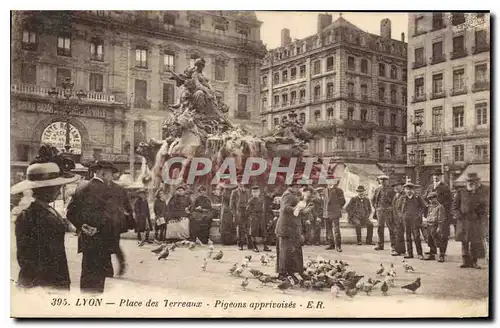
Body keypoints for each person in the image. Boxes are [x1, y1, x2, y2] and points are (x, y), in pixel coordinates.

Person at [12, 148, 78, 290]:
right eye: (56, 187)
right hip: (43, 284)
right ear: (47, 189)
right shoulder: (31, 215)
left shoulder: (43, 210)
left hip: (48, 281)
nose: (58, 190)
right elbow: (29, 259)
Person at [66, 160, 119, 293]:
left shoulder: (81, 188)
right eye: (112, 175)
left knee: (87, 274)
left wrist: (82, 226)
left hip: (86, 240)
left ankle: (85, 306)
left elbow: (70, 213)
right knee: (98, 280)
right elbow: (110, 216)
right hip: (102, 240)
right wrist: (98, 228)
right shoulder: (109, 191)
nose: (112, 178)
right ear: (103, 173)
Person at [453, 172, 489, 269]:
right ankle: (465, 261)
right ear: (466, 182)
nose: (471, 183)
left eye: (473, 181)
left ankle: (474, 262)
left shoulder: (481, 193)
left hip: (475, 221)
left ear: (477, 182)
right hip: (463, 220)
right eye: (469, 181)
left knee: (475, 242)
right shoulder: (461, 192)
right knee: (464, 242)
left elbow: (485, 207)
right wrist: (458, 216)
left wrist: (481, 217)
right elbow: (455, 206)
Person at [275, 182, 307, 281]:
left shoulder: (294, 195)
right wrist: (296, 208)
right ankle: (283, 273)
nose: (297, 188)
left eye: (298, 187)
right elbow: (285, 208)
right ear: (290, 187)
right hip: (286, 228)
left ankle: (292, 271)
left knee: (292, 251)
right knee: (285, 251)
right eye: (295, 186)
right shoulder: (287, 195)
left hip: (291, 228)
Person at [423, 168, 452, 260]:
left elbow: (449, 202)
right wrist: (427, 206)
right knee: (431, 234)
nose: (435, 177)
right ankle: (432, 253)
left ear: (440, 176)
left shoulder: (445, 187)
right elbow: (424, 198)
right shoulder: (430, 187)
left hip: (442, 215)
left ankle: (442, 254)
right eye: (434, 175)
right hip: (431, 215)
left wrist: (440, 208)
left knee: (442, 235)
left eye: (437, 175)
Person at [400, 182, 427, 260]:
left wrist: (419, 215)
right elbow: (398, 208)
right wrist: (402, 215)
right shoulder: (403, 198)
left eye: (410, 189)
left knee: (416, 237)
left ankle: (419, 254)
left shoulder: (417, 197)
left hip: (415, 220)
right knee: (408, 237)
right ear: (405, 190)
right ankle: (410, 253)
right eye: (407, 189)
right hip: (406, 219)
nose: (409, 191)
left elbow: (423, 207)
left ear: (413, 190)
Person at [372, 175, 396, 253]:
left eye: (384, 180)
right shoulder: (377, 189)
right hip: (380, 211)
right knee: (380, 228)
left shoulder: (391, 190)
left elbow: (395, 200)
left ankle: (393, 245)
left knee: (391, 228)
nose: (382, 181)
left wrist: (391, 208)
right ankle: (380, 245)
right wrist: (377, 208)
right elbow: (373, 200)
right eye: (381, 180)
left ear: (387, 181)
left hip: (388, 211)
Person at [246, 185, 272, 252]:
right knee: (253, 232)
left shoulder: (261, 200)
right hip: (254, 217)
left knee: (263, 231)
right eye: (254, 192)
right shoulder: (250, 201)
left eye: (256, 192)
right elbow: (248, 210)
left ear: (259, 192)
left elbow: (264, 209)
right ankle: (255, 246)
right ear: (252, 193)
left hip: (261, 217)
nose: (255, 193)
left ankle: (265, 246)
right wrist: (252, 217)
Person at [425, 192, 448, 262]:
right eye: (429, 199)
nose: (430, 200)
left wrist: (439, 227)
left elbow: (441, 218)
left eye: (432, 198)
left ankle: (441, 255)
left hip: (435, 225)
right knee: (430, 241)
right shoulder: (430, 207)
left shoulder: (440, 207)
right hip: (429, 225)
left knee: (438, 241)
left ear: (436, 198)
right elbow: (428, 215)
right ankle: (432, 254)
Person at [324, 179, 346, 252]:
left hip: (335, 212)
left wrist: (336, 207)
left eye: (331, 181)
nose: (329, 182)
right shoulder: (325, 190)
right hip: (326, 213)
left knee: (336, 230)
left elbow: (343, 201)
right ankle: (331, 244)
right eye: (328, 181)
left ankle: (338, 246)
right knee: (328, 230)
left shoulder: (338, 190)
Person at [230, 177, 251, 250]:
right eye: (239, 182)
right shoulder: (234, 192)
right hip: (239, 212)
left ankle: (249, 244)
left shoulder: (247, 191)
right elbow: (231, 204)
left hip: (247, 211)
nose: (241, 184)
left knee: (248, 227)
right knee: (240, 228)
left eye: (242, 182)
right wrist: (234, 214)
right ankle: (240, 244)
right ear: (237, 183)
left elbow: (250, 202)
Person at [391, 180, 406, 256]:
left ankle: (398, 250)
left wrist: (401, 217)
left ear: (402, 186)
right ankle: (401, 250)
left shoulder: (404, 195)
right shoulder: (396, 195)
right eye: (395, 186)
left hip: (402, 218)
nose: (395, 187)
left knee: (399, 233)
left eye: (397, 185)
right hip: (396, 217)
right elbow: (394, 206)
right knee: (398, 233)